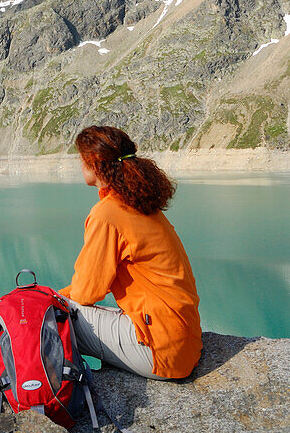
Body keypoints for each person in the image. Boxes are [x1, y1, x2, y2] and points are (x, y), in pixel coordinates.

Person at [60, 125, 202, 379]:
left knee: (53, 316)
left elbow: (86, 292)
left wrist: (52, 297)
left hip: (161, 351)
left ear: (93, 163)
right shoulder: (140, 203)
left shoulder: (108, 214)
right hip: (183, 340)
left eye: (80, 158)